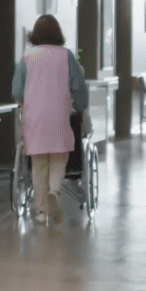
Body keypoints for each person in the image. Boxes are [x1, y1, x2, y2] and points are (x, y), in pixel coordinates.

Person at [12, 15, 88, 224]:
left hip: (34, 116)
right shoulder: (66, 56)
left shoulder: (27, 57)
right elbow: (79, 87)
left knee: (38, 164)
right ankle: (54, 191)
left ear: (35, 34)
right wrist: (80, 107)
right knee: (58, 157)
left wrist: (24, 100)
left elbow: (17, 89)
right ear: (58, 34)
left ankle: (41, 211)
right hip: (59, 113)